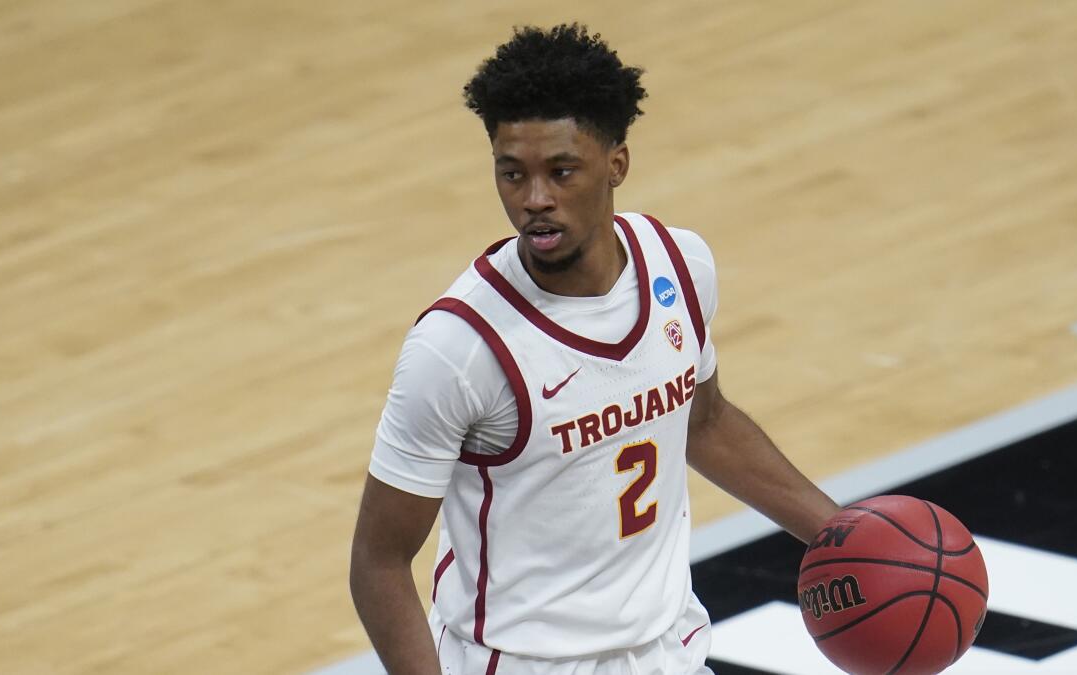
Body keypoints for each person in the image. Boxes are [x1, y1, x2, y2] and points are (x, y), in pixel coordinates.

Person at [349, 23, 840, 675]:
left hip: (668, 650)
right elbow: (378, 564)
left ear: (617, 163)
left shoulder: (679, 265)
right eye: (511, 174)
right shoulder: (460, 347)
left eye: (561, 171)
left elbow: (705, 421)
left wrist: (843, 533)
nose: (534, 201)